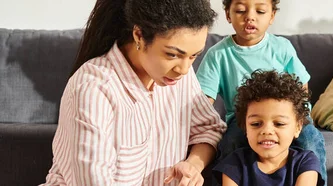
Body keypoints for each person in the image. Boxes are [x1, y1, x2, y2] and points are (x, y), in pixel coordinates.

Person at [42, 0, 226, 185]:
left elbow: (209, 128)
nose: (184, 69)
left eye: (194, 55)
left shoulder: (179, 77)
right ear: (139, 35)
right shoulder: (94, 88)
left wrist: (192, 165)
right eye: (172, 55)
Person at [195, 0, 327, 183]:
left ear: (272, 15)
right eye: (240, 10)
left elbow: (301, 87)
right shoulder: (217, 54)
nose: (250, 16)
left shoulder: (282, 47)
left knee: (310, 139)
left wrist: (301, 117)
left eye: (260, 11)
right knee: (231, 142)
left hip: (286, 116)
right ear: (227, 14)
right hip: (244, 120)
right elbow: (203, 99)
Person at [213, 70, 325, 186]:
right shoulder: (233, 164)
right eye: (256, 124)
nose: (266, 131)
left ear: (297, 128)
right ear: (245, 127)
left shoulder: (306, 162)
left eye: (279, 124)